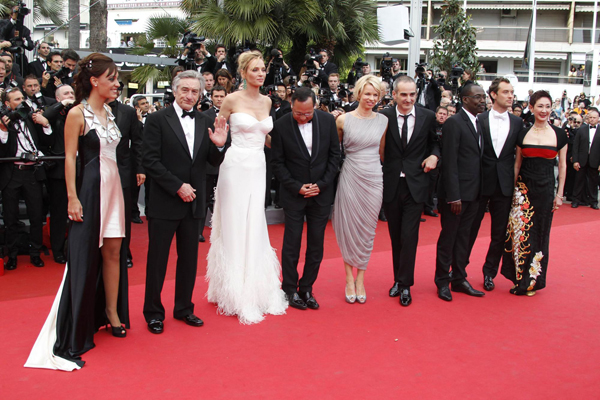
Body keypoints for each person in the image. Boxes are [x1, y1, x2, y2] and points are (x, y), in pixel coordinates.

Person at [25, 53, 129, 371]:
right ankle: (78, 325)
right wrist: (72, 197)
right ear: (95, 81)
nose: (117, 83)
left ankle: (111, 313)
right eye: (111, 78)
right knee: (85, 256)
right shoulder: (76, 114)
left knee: (114, 251)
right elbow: (70, 158)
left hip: (115, 190)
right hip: (90, 190)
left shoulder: (111, 113)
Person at [205, 51, 287, 324]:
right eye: (255, 70)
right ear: (244, 73)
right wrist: (219, 142)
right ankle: (234, 290)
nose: (260, 73)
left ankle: (256, 286)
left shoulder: (267, 101)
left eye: (263, 69)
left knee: (255, 222)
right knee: (235, 222)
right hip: (235, 165)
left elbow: (265, 137)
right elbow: (218, 132)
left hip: (258, 166)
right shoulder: (230, 99)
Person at [142, 70, 227, 334]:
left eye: (194, 91)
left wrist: (220, 146)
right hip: (165, 200)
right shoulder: (156, 120)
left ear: (200, 93)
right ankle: (154, 313)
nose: (190, 95)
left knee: (189, 259)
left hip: (194, 203)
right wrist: (177, 186)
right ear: (175, 91)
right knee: (158, 260)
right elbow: (150, 161)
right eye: (185, 90)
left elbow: (212, 162)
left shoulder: (205, 120)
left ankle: (184, 308)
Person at [271, 86, 341, 310]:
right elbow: (277, 163)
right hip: (293, 195)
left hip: (321, 194)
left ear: (315, 106)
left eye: (307, 113)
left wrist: (320, 186)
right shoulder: (281, 125)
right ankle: (289, 289)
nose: (303, 117)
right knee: (291, 243)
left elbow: (334, 156)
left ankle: (307, 288)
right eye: (298, 113)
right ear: (291, 105)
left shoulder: (328, 121)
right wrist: (297, 187)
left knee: (316, 245)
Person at [379, 76, 440, 306]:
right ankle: (398, 279)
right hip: (392, 183)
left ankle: (405, 285)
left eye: (412, 94)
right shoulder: (383, 117)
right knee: (396, 237)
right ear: (394, 95)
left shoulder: (427, 116)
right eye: (403, 94)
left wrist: (434, 156)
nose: (408, 99)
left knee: (409, 236)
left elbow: (435, 143)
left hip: (416, 184)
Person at [501, 90, 568, 296]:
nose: (544, 110)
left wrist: (559, 195)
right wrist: (511, 191)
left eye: (548, 106)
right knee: (520, 234)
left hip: (546, 190)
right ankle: (520, 278)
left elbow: (563, 166)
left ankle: (533, 281)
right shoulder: (523, 133)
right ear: (531, 107)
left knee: (540, 235)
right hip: (523, 190)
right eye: (540, 106)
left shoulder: (559, 134)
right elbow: (516, 165)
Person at [332, 75, 387, 304]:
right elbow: (336, 152)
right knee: (348, 227)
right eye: (367, 94)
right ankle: (348, 278)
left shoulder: (383, 120)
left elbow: (382, 153)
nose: (371, 98)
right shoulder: (342, 120)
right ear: (358, 94)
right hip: (351, 176)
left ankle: (361, 278)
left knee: (367, 229)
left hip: (374, 177)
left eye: (376, 95)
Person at [466, 78, 523, 291]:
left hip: (505, 184)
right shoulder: (479, 119)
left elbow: (519, 155)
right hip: (480, 183)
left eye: (512, 92)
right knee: (469, 228)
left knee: (499, 233)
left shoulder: (517, 123)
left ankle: (489, 272)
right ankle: (459, 268)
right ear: (493, 94)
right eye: (506, 92)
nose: (510, 96)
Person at [435, 83, 486, 302]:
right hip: (456, 196)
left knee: (464, 238)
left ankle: (459, 278)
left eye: (483, 97)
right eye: (478, 97)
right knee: (449, 238)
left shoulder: (479, 123)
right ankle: (441, 280)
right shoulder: (454, 123)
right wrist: (453, 196)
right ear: (465, 99)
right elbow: (450, 163)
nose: (483, 100)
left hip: (474, 193)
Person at [0, 87, 51, 270]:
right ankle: (12, 255)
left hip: (32, 174)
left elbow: (47, 141)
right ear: (7, 104)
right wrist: (3, 129)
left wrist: (45, 123)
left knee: (37, 215)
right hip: (11, 174)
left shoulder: (31, 119)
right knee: (11, 217)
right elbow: (3, 149)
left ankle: (35, 253)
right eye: (16, 100)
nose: (21, 102)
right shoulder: (3, 121)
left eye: (22, 98)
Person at [41, 84, 75, 264]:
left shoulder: (80, 110)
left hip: (81, 168)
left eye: (72, 93)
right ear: (58, 98)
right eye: (66, 94)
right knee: (59, 213)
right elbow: (46, 118)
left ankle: (76, 248)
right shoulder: (54, 114)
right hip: (59, 171)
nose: (70, 96)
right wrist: (61, 106)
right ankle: (58, 249)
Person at [572, 108, 600, 209]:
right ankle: (575, 200)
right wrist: (575, 160)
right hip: (581, 159)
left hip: (595, 160)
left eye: (594, 118)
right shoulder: (581, 129)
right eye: (590, 117)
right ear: (587, 119)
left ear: (598, 119)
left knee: (594, 182)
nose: (592, 119)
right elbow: (576, 146)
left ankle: (594, 202)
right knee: (579, 181)